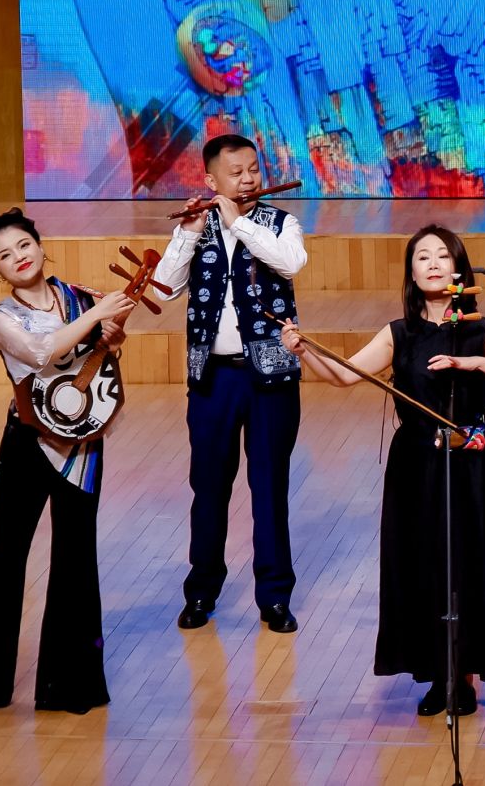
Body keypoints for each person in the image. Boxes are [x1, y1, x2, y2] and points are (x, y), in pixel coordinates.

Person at [282, 225, 485, 716]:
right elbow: (344, 375)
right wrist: (304, 351)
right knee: (422, 561)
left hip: (469, 462)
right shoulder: (398, 333)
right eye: (423, 256)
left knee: (468, 560)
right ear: (411, 272)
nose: (434, 263)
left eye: (443, 255)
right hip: (416, 464)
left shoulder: (483, 331)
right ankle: (436, 673)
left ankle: (464, 674)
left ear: (459, 268)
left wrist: (477, 364)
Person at [0, 208, 135, 715]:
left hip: (82, 441)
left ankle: (71, 687)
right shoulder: (3, 318)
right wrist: (95, 316)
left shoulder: (79, 296)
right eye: (5, 255)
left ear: (40, 244)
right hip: (26, 443)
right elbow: (42, 351)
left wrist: (112, 340)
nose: (19, 257)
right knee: (3, 556)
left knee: (76, 557)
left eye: (24, 245)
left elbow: (99, 359)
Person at [156, 133, 308, 634]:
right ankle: (201, 591)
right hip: (212, 378)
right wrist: (187, 234)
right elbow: (164, 288)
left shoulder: (281, 224)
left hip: (270, 378)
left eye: (252, 170)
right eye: (236, 173)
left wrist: (239, 223)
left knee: (270, 487)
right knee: (209, 488)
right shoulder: (195, 226)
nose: (247, 180)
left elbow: (290, 263)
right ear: (210, 180)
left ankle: (275, 597)